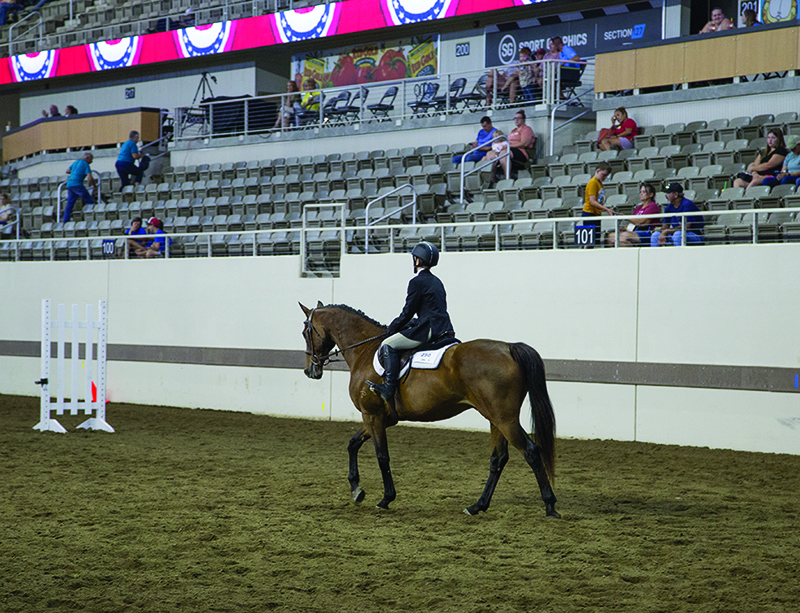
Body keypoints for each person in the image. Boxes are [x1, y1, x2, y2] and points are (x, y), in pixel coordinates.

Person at [368, 241, 455, 404]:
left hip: (428, 329)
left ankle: (388, 387)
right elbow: (431, 309)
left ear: (417, 260)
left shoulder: (417, 282)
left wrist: (393, 327)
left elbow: (408, 311)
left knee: (388, 345)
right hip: (444, 327)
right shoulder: (437, 281)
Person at [483, 110, 535, 181]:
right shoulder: (513, 131)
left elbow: (524, 143)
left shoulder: (526, 129)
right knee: (489, 154)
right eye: (515, 118)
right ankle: (491, 178)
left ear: (523, 119)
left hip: (520, 151)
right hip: (508, 148)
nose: (516, 120)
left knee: (504, 153)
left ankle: (507, 178)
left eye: (519, 118)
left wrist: (508, 146)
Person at [607, 183, 660, 247]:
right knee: (611, 237)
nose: (641, 194)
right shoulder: (638, 207)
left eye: (644, 192)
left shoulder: (652, 206)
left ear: (651, 194)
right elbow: (633, 223)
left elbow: (641, 223)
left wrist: (625, 217)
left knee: (622, 237)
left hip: (647, 233)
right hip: (635, 231)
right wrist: (624, 227)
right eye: (640, 192)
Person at [582, 162, 616, 236]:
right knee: (590, 240)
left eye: (606, 176)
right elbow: (592, 201)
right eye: (603, 175)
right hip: (590, 213)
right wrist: (606, 209)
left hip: (596, 213)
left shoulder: (599, 183)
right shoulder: (593, 182)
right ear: (598, 171)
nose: (604, 178)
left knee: (595, 239)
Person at [64, 152, 95, 223]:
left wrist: (75, 172)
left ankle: (65, 221)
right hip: (77, 184)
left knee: (70, 204)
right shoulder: (85, 164)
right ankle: (91, 218)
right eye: (91, 159)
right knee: (89, 201)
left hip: (70, 184)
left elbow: (67, 171)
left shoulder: (76, 162)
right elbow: (90, 177)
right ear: (87, 158)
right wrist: (94, 185)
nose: (91, 161)